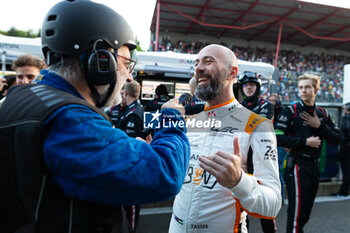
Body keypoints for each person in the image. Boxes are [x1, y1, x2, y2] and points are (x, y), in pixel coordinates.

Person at [0, 1, 190, 233]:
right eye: (126, 63)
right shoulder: (69, 119)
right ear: (101, 62)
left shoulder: (24, 96)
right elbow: (165, 174)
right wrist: (172, 116)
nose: (129, 78)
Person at [169, 44, 281, 233]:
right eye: (196, 63)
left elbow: (272, 205)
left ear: (232, 73)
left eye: (208, 61)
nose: (198, 68)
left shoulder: (257, 125)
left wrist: (239, 181)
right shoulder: (188, 122)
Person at [274, 74, 341, 233]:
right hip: (297, 166)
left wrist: (320, 126)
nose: (303, 91)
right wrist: (303, 142)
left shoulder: (323, 114)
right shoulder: (290, 110)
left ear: (316, 90)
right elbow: (276, 137)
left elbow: (338, 139)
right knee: (296, 215)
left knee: (305, 214)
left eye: (307, 87)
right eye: (301, 87)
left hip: (315, 166)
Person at [237, 73, 277, 233]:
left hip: (261, 162)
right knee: (240, 207)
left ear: (257, 87)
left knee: (265, 209)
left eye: (252, 85)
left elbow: (257, 128)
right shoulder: (237, 106)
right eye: (246, 85)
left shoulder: (266, 106)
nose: (249, 87)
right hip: (241, 160)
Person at [332, 102, 350, 200]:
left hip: (345, 148)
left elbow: (346, 131)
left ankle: (344, 191)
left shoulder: (346, 119)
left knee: (346, 170)